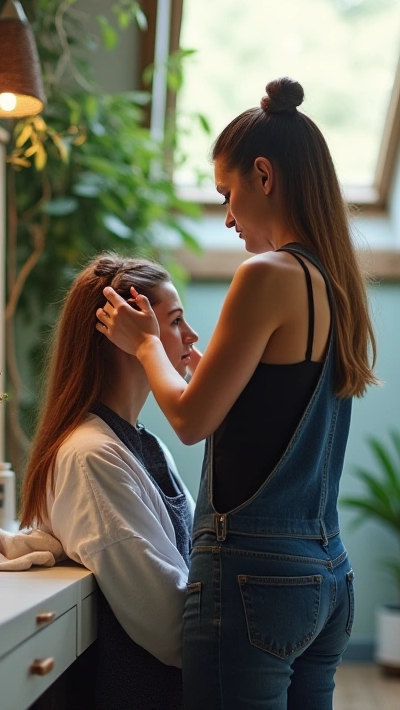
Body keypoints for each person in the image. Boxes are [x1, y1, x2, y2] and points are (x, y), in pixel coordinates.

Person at [96, 77, 378, 709]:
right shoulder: (335, 283)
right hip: (327, 572)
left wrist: (145, 343)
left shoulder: (265, 274)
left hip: (253, 578)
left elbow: (191, 421)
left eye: (228, 193)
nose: (226, 216)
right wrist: (203, 371)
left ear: (263, 175)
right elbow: (273, 411)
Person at [20, 254, 200, 709]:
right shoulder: (91, 457)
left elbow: (201, 553)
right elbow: (168, 625)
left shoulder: (147, 444)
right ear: (127, 331)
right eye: (176, 320)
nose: (192, 336)